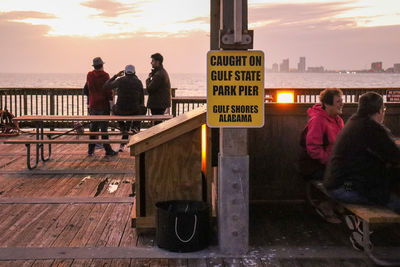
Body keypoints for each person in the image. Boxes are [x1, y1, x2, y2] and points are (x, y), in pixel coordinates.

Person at [324, 92, 400, 249]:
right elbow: (394, 155)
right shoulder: (370, 127)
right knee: (394, 202)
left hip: (337, 183)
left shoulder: (355, 122)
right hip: (345, 188)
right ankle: (363, 229)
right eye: (383, 109)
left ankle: (358, 223)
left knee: (385, 189)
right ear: (380, 110)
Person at [299, 88, 344, 223]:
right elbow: (313, 148)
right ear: (327, 104)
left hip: (331, 164)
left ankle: (341, 202)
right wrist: (330, 162)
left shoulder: (338, 120)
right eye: (338, 101)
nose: (342, 104)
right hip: (314, 166)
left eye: (342, 101)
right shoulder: (318, 120)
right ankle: (327, 205)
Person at [104, 64, 145, 152]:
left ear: (125, 72)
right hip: (134, 111)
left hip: (120, 111)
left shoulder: (120, 80)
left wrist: (116, 76)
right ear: (134, 72)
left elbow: (106, 86)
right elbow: (142, 99)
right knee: (141, 109)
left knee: (114, 108)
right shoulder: (138, 82)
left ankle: (122, 126)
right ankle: (136, 127)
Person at [85, 57, 117, 156]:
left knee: (93, 129)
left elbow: (88, 88)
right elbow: (108, 90)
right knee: (104, 129)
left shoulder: (89, 75)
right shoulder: (105, 75)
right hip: (103, 105)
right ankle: (107, 150)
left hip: (93, 104)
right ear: (102, 65)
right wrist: (111, 101)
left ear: (94, 66)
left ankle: (91, 150)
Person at [146, 53, 171, 125]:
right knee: (158, 123)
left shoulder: (158, 75)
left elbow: (150, 89)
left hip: (158, 104)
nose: (151, 62)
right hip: (161, 103)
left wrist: (148, 80)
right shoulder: (161, 72)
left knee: (157, 124)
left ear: (157, 62)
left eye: (152, 61)